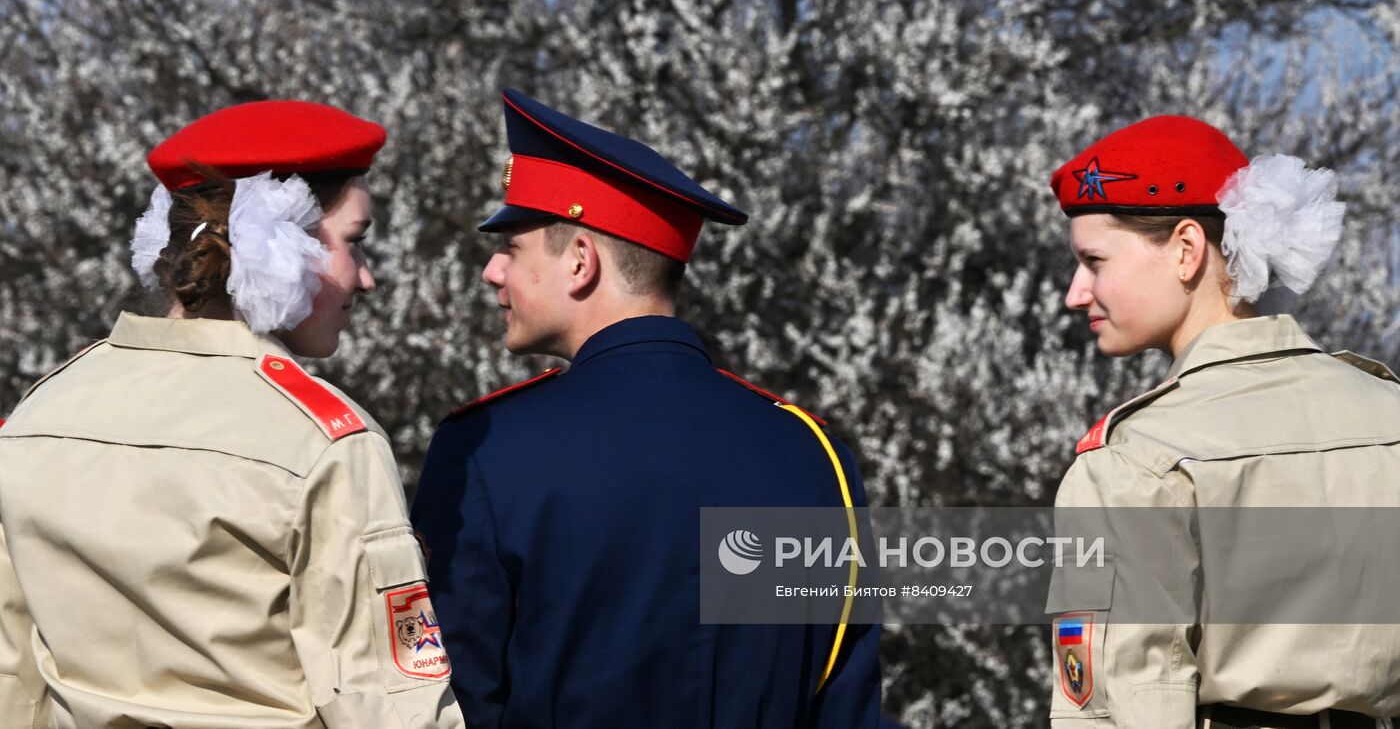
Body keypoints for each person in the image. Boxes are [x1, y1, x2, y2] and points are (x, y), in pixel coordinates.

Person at [412, 89, 882, 727]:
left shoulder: (489, 448)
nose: (492, 271)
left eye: (513, 248)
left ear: (581, 261)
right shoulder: (813, 454)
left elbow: (447, 703)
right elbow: (844, 707)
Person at [0, 100, 466, 729]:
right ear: (281, 243)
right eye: (354, 243)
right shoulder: (322, 441)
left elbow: (12, 677)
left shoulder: (38, 413)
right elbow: (389, 706)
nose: (367, 278)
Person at [1045, 115, 1400, 729]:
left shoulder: (1136, 460)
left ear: (1186, 251)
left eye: (1095, 260)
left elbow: (1120, 708)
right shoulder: (1387, 414)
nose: (1077, 292)